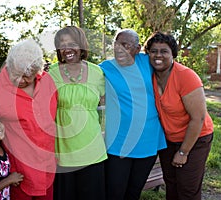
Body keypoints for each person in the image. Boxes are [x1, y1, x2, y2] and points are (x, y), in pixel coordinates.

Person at [0, 39, 58, 200]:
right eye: (16, 75)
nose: (21, 80)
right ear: (9, 65)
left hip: (46, 164)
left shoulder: (48, 82)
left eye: (27, 76)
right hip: (17, 168)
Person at [144, 31, 214, 200]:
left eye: (164, 51)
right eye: (153, 51)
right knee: (172, 184)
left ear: (173, 54)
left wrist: (183, 152)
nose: (158, 55)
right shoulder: (149, 74)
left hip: (195, 138)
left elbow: (198, 118)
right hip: (169, 139)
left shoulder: (185, 76)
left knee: (187, 189)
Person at [99, 29, 167, 200]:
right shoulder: (105, 68)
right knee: (114, 192)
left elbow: (171, 68)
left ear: (137, 49)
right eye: (117, 44)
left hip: (148, 140)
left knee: (134, 192)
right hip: (119, 142)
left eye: (126, 46)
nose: (120, 49)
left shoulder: (148, 62)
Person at [48, 26, 107, 200]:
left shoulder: (97, 73)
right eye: (62, 44)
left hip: (93, 150)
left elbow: (105, 100)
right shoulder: (50, 74)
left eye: (72, 43)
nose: (67, 49)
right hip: (63, 152)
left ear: (82, 46)